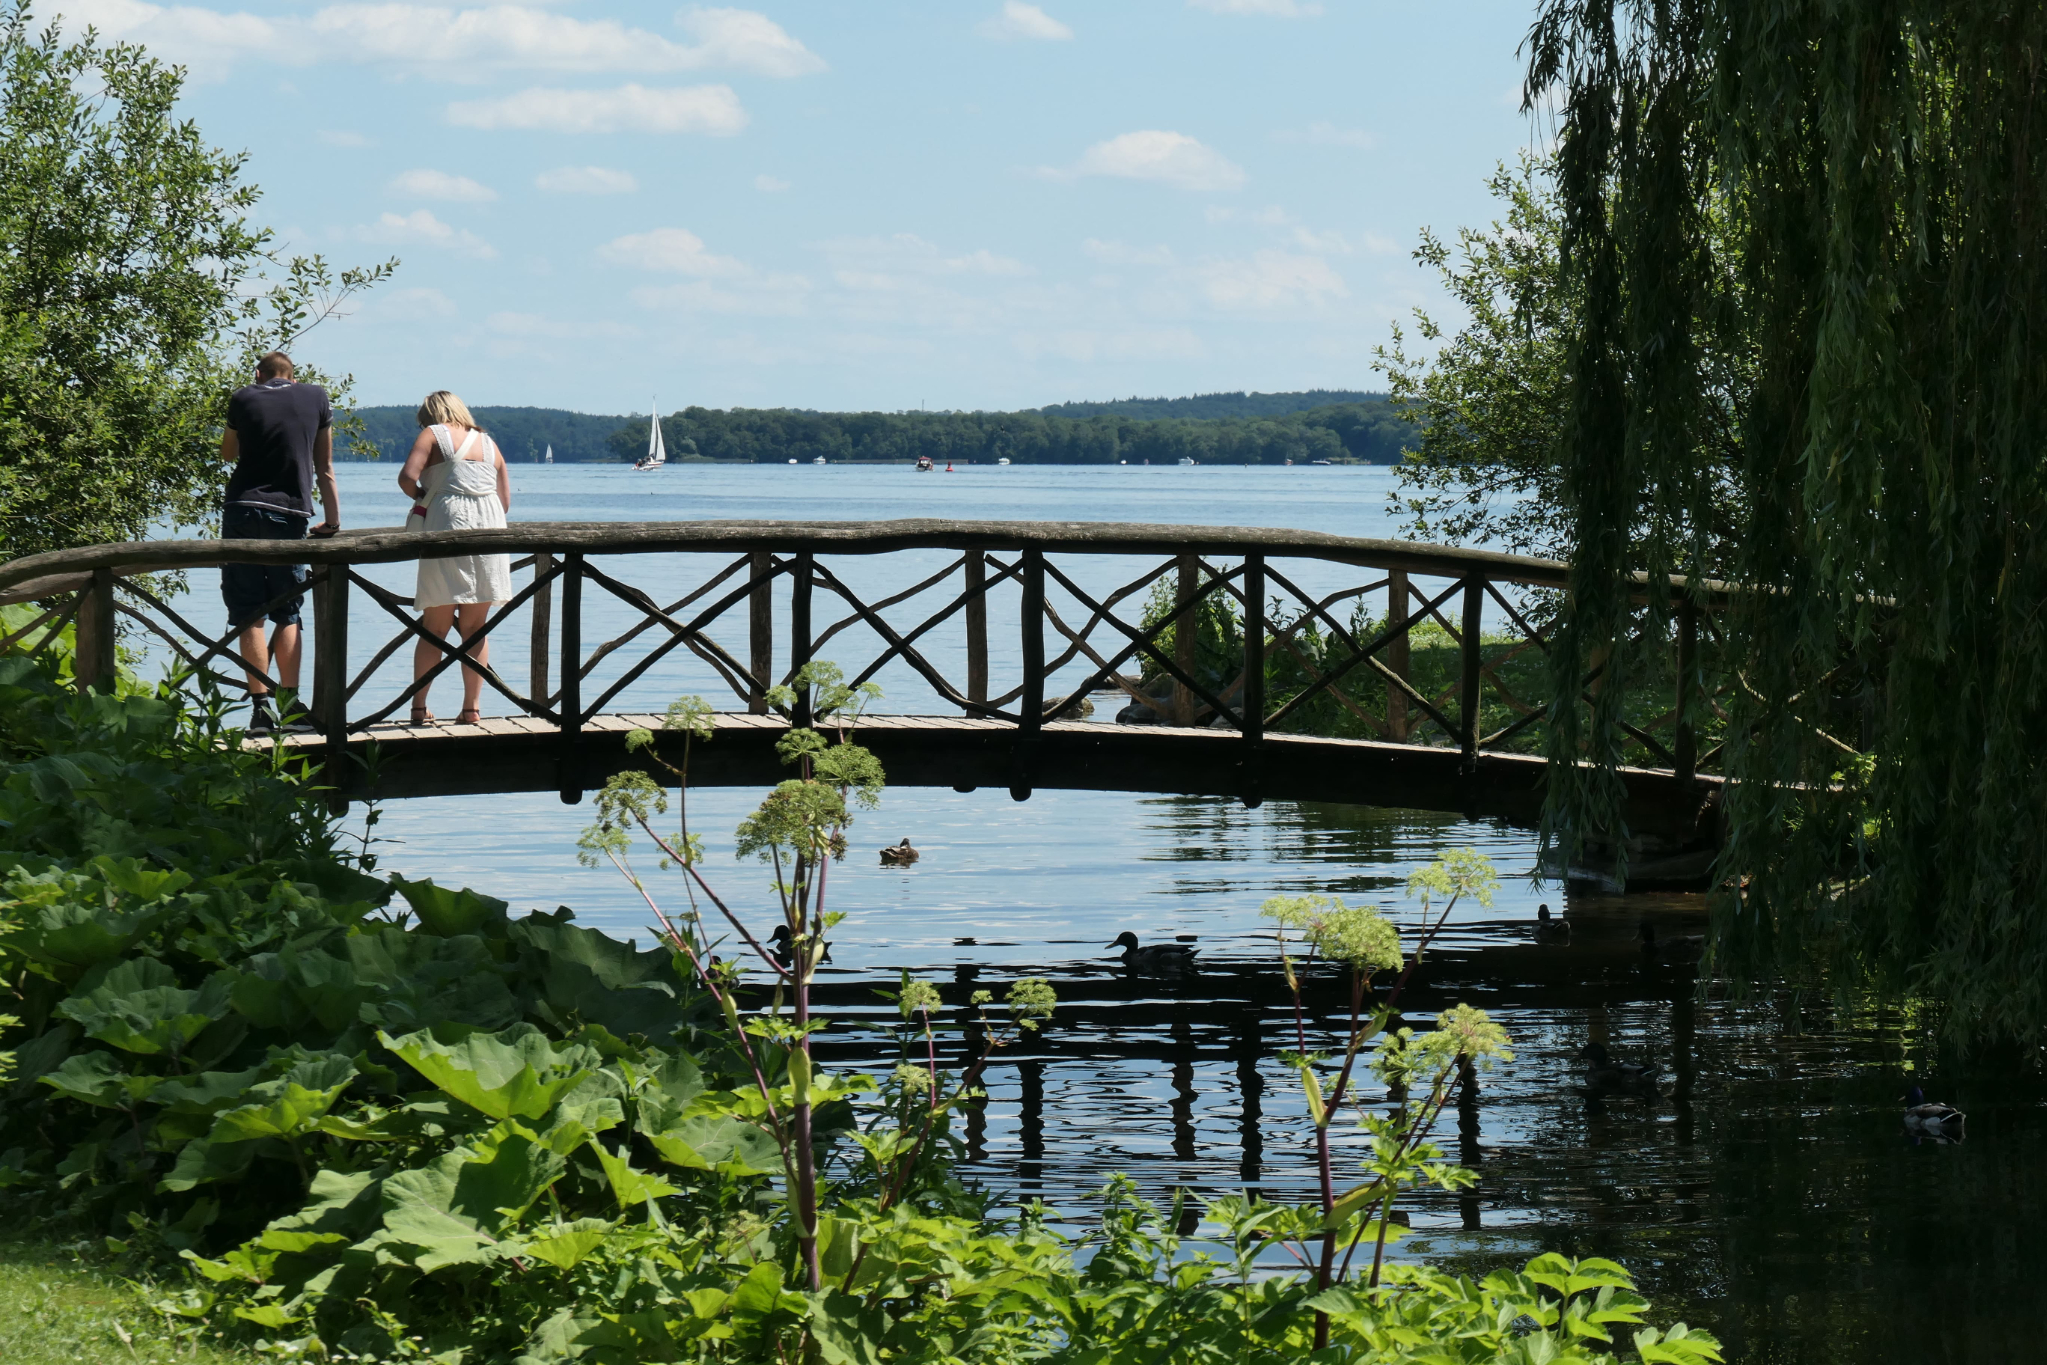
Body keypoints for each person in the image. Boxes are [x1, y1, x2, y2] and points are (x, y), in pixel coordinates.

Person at [220, 351, 339, 735]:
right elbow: (325, 467)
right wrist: (333, 522)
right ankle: (289, 708)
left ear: (259, 375)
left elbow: (228, 453)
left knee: (247, 611)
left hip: (242, 510)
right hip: (290, 514)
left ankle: (260, 712)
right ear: (292, 375)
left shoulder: (243, 397)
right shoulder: (317, 397)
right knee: (287, 610)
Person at [397, 391, 511, 724]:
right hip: (489, 531)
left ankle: (418, 707)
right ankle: (471, 709)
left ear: (430, 416)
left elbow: (406, 477)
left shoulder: (432, 434)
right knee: (476, 628)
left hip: (447, 526)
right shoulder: (489, 444)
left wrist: (425, 497)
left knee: (435, 626)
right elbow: (504, 501)